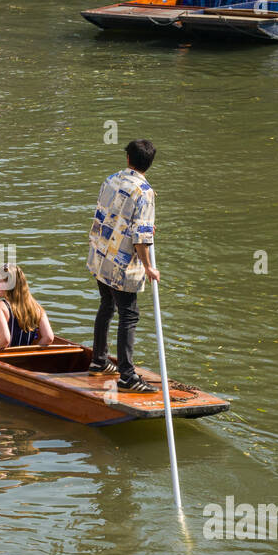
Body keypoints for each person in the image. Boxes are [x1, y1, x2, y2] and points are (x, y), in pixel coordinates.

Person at [87, 138, 160, 393]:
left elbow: (108, 214)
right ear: (149, 164)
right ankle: (127, 375)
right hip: (122, 263)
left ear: (128, 159)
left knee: (107, 305)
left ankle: (99, 360)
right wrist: (149, 267)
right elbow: (141, 236)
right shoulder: (145, 192)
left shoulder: (111, 179)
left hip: (101, 255)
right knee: (129, 315)